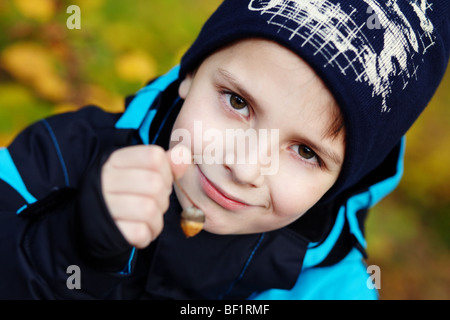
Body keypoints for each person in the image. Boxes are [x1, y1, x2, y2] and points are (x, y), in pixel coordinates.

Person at [0, 0, 448, 299]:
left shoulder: (329, 286)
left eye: (306, 152)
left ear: (342, 181)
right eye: (238, 103)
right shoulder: (59, 158)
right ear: (191, 72)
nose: (243, 164)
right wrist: (71, 246)